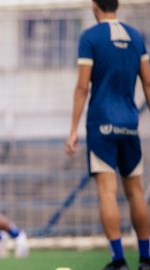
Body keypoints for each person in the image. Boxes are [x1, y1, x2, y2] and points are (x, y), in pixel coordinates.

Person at [66, 0, 150, 269]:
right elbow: (148, 81)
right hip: (129, 123)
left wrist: (72, 130)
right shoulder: (136, 36)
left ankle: (119, 260)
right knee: (136, 191)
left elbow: (82, 88)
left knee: (107, 192)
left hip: (101, 123)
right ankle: (146, 258)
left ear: (94, 5)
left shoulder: (90, 37)